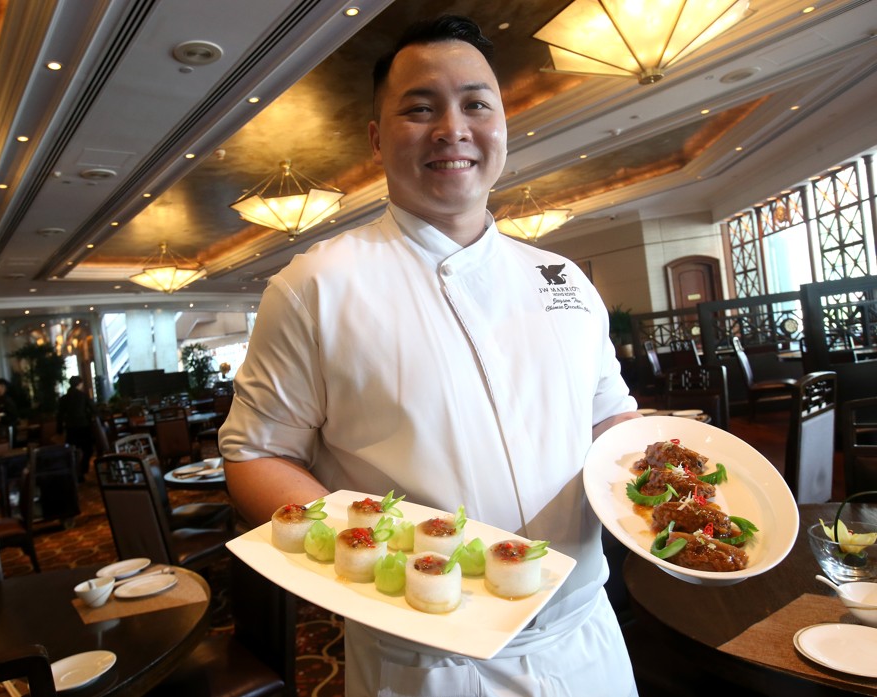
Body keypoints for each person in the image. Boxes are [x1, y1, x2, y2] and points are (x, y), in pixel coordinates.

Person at [220, 15, 640, 696]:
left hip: (585, 635)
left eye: (476, 103)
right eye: (420, 108)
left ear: (505, 122)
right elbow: (255, 453)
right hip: (426, 662)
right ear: (378, 137)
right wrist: (354, 551)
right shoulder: (314, 287)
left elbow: (610, 418)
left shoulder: (563, 280)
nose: (453, 128)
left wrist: (658, 483)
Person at [57, 375, 96, 481]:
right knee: (88, 450)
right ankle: (82, 470)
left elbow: (60, 415)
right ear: (80, 384)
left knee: (72, 452)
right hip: (83, 427)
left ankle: (75, 472)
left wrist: (59, 429)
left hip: (70, 429)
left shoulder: (64, 398)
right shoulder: (83, 396)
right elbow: (93, 410)